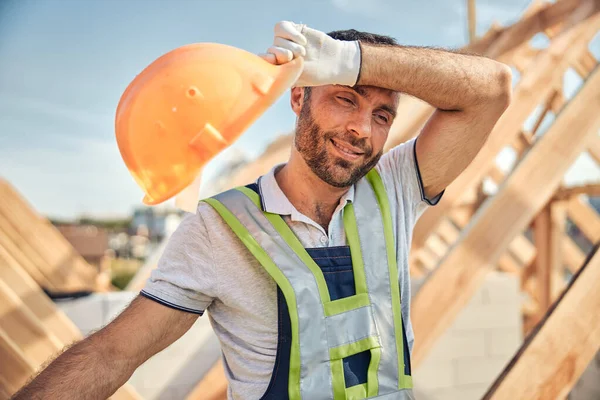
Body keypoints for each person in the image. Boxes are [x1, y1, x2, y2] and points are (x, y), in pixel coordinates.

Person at [13, 21, 511, 400]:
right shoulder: (219, 229)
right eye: (345, 99)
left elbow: (493, 88)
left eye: (382, 115)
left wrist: (349, 61)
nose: (363, 128)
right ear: (298, 97)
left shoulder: (396, 187)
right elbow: (112, 353)